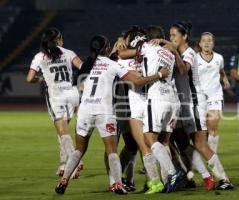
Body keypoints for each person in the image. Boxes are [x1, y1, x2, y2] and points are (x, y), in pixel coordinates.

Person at [54, 34, 169, 195]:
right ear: (107, 48)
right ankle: (116, 184)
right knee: (112, 150)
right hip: (104, 112)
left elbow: (80, 86)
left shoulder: (85, 64)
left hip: (85, 111)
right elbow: (136, 82)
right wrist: (159, 74)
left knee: (79, 149)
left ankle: (64, 180)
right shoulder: (113, 65)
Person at [149, 22, 215, 191]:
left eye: (173, 35)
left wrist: (170, 48)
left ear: (184, 36)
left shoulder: (188, 53)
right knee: (178, 142)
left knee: (182, 142)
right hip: (176, 102)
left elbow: (184, 70)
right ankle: (187, 175)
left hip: (188, 103)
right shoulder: (170, 52)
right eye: (169, 36)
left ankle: (200, 176)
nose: (171, 39)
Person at [118, 26, 184, 193]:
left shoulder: (136, 53)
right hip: (169, 98)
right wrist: (168, 44)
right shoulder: (166, 51)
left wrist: (119, 44)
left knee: (146, 145)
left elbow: (122, 58)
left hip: (144, 103)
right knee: (164, 142)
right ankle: (166, 181)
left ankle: (157, 181)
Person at [26, 27, 83, 178]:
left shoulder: (40, 56)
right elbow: (83, 68)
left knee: (62, 132)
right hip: (72, 94)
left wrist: (41, 79)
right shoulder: (69, 53)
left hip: (55, 95)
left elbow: (29, 78)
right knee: (62, 133)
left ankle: (74, 164)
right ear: (58, 39)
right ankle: (63, 164)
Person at [194, 32, 230, 153]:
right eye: (204, 40)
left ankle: (212, 159)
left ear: (213, 43)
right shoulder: (194, 58)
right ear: (200, 43)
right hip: (199, 98)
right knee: (201, 131)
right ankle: (203, 153)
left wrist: (224, 78)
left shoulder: (219, 58)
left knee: (213, 127)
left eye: (209, 40)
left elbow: (221, 70)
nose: (206, 43)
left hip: (215, 96)